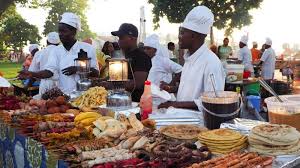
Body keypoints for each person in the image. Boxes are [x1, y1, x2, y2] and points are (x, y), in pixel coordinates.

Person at [158, 6, 225, 110]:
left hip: (198, 123)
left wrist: (176, 104)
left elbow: (213, 101)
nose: (179, 36)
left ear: (193, 36)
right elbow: (191, 90)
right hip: (181, 118)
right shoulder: (190, 59)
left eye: (183, 32)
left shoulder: (211, 63)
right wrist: (172, 89)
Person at [19, 12, 99, 94]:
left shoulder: (88, 48)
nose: (60, 34)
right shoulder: (56, 51)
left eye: (64, 31)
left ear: (73, 32)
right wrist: (32, 74)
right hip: (64, 97)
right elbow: (49, 71)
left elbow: (96, 73)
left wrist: (78, 69)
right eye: (59, 31)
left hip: (85, 96)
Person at [111, 23, 152, 102]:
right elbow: (116, 77)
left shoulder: (141, 57)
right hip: (119, 100)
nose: (119, 41)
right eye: (118, 38)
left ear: (132, 38)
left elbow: (138, 83)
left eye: (121, 37)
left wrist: (112, 85)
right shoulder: (122, 56)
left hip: (136, 104)